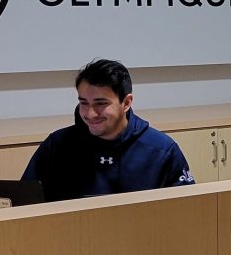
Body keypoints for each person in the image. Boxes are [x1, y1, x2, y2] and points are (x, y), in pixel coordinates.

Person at [22, 59, 194, 201]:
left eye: (101, 103)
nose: (90, 113)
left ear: (126, 103)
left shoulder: (161, 150)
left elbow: (186, 209)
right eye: (84, 103)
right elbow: (24, 202)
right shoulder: (57, 145)